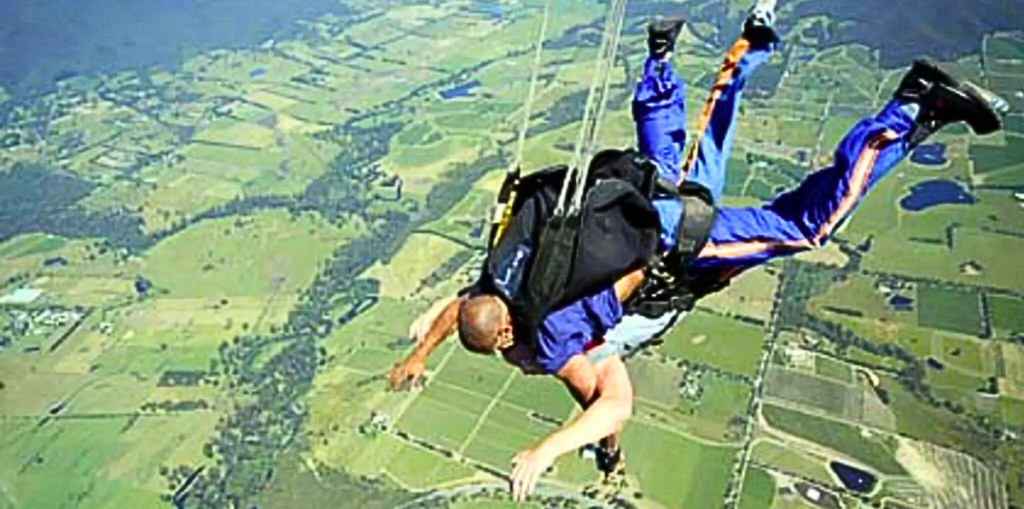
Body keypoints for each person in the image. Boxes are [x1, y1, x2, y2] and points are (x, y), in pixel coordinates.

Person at [389, 7, 1005, 502]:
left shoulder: (553, 346)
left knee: (804, 226)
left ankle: (918, 105)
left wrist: (552, 450)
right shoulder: (502, 278)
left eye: (515, 358)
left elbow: (612, 402)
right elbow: (457, 309)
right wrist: (419, 355)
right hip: (636, 200)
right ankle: (682, 55)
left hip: (675, 246)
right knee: (689, 162)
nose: (520, 365)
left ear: (506, 343)